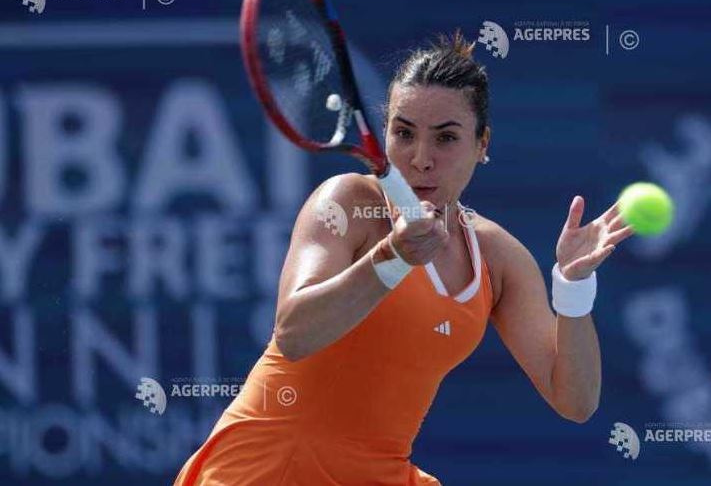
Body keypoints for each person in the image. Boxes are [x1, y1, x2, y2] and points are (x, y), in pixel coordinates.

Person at [174, 32, 634, 485]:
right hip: (262, 471)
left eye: (446, 138)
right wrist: (393, 258)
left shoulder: (498, 258)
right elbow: (295, 333)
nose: (421, 158)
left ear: (482, 144)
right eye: (404, 133)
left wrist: (573, 287)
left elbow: (575, 401)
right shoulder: (347, 203)